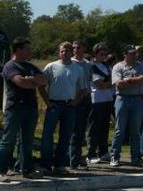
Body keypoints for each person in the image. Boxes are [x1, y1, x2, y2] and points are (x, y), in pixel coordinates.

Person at [0, 38, 47, 181]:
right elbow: (20, 82)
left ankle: (27, 170)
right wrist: (32, 81)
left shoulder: (31, 66)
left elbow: (44, 80)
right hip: (15, 108)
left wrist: (30, 80)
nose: (30, 51)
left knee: (27, 141)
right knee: (8, 140)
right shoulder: (10, 66)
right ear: (18, 50)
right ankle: (0, 171)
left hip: (31, 108)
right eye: (27, 49)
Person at [39, 42, 87, 174]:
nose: (64, 53)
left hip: (70, 106)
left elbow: (84, 89)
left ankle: (59, 165)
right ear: (59, 52)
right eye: (62, 51)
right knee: (47, 136)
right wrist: (47, 102)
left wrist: (75, 102)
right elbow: (41, 85)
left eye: (67, 51)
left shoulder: (78, 69)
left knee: (65, 137)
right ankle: (45, 166)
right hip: (54, 105)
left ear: (72, 52)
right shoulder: (51, 66)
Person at [110, 45, 143, 167]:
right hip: (122, 99)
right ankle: (115, 156)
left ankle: (136, 157)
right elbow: (118, 84)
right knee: (119, 130)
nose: (134, 55)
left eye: (135, 53)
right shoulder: (118, 67)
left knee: (135, 130)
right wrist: (134, 81)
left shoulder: (141, 66)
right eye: (131, 53)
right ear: (125, 54)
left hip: (137, 99)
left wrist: (128, 80)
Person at [86, 43, 115, 164]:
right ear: (95, 54)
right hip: (96, 100)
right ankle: (91, 154)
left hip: (107, 100)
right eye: (101, 54)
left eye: (105, 54)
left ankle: (103, 152)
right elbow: (100, 85)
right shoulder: (92, 66)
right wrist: (111, 82)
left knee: (104, 128)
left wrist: (109, 82)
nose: (103, 56)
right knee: (94, 128)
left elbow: (112, 81)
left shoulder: (106, 66)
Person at [69, 40, 92, 170]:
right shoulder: (71, 63)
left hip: (86, 98)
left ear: (84, 49)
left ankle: (77, 157)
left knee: (82, 131)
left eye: (78, 47)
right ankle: (74, 160)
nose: (75, 50)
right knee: (75, 131)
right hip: (75, 98)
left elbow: (88, 82)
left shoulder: (88, 64)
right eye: (74, 48)